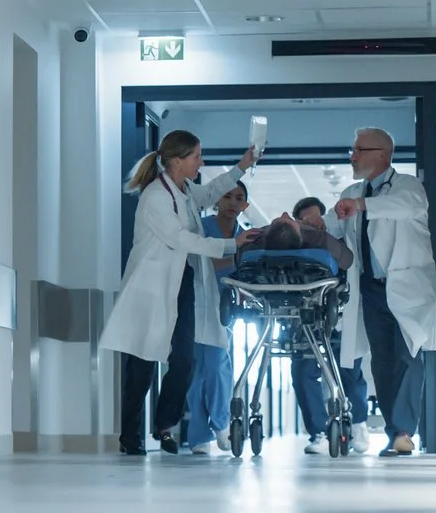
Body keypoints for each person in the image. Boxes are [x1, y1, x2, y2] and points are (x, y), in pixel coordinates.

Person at [100, 133, 264, 456]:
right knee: (143, 363)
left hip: (182, 282)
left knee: (184, 361)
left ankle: (164, 424)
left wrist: (242, 166)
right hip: (153, 286)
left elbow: (212, 192)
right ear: (177, 161)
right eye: (197, 157)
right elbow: (182, 239)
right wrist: (232, 245)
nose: (201, 163)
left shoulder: (186, 190)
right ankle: (129, 435)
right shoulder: (155, 198)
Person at [327, 130, 436, 456]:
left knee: (408, 357)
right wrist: (308, 226)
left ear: (383, 154)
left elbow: (410, 206)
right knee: (382, 363)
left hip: (408, 287)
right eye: (353, 150)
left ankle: (403, 431)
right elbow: (333, 224)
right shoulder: (351, 192)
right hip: (371, 290)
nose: (353, 155)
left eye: (360, 150)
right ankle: (395, 433)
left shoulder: (408, 187)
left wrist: (361, 205)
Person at [286, 196, 371, 454]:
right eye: (304, 220)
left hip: (339, 316)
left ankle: (358, 424)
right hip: (307, 319)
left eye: (315, 218)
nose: (311, 223)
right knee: (302, 372)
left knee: (349, 370)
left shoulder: (341, 245)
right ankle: (319, 433)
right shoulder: (293, 249)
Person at [183, 182, 253, 453]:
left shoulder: (246, 235)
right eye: (227, 196)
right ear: (216, 200)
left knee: (213, 365)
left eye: (240, 198)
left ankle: (212, 429)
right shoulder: (200, 228)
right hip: (196, 303)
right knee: (202, 369)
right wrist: (238, 260)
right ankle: (207, 431)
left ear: (246, 204)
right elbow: (203, 261)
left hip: (225, 309)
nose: (234, 202)